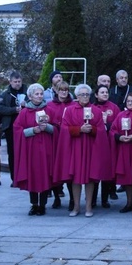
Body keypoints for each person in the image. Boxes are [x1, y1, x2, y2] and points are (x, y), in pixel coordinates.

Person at [52, 84, 112, 217]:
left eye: (87, 94)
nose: (85, 97)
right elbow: (64, 128)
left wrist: (92, 130)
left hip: (91, 148)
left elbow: (102, 129)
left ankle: (89, 206)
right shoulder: (69, 110)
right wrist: (79, 129)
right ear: (77, 96)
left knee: (90, 178)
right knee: (76, 178)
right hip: (76, 148)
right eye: (82, 94)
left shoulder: (95, 110)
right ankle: (76, 206)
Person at [13, 84, 58, 216]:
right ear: (30, 96)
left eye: (40, 94)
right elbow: (17, 130)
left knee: (44, 174)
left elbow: (57, 127)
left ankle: (43, 204)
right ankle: (34, 204)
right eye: (36, 94)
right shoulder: (25, 112)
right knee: (32, 175)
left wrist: (48, 128)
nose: (39, 96)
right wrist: (33, 130)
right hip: (31, 149)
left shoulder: (49, 110)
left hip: (46, 148)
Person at [110, 92, 132, 213]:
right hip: (124, 149)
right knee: (127, 178)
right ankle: (129, 203)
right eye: (128, 101)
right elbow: (113, 129)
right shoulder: (121, 115)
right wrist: (119, 137)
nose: (130, 103)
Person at [45, 81, 73, 209]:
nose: (64, 92)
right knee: (55, 171)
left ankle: (73, 198)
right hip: (55, 142)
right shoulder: (50, 106)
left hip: (70, 142)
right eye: (61, 90)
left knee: (70, 170)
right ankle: (56, 197)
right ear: (56, 90)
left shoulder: (73, 105)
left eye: (66, 90)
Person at [0, 71, 26, 186]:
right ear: (10, 81)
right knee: (12, 153)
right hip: (10, 128)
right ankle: (15, 178)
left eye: (19, 81)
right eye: (15, 82)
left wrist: (26, 104)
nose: (17, 84)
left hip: (25, 127)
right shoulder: (5, 94)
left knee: (25, 153)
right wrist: (14, 110)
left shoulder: (27, 92)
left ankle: (25, 176)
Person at [92, 85, 120, 208]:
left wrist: (106, 126)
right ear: (96, 94)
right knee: (95, 172)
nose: (104, 94)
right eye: (102, 92)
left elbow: (118, 123)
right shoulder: (92, 108)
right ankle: (92, 199)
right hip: (95, 143)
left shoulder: (114, 107)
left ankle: (105, 199)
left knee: (107, 172)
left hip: (109, 143)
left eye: (106, 92)